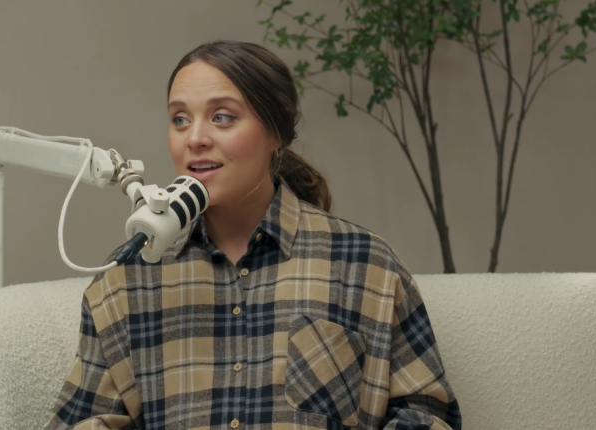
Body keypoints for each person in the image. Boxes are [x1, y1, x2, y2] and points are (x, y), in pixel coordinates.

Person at [47, 40, 460, 430]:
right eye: (179, 119)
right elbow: (85, 420)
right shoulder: (126, 281)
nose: (195, 139)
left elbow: (427, 415)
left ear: (275, 133)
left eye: (222, 116)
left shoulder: (365, 266)